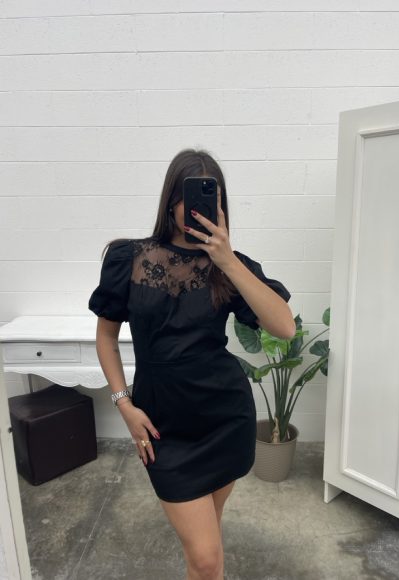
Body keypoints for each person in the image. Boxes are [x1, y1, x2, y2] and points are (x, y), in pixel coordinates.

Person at [88, 148, 295, 580]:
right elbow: (106, 337)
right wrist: (124, 404)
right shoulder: (129, 259)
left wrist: (227, 259)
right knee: (205, 556)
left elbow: (284, 327)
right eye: (188, 196)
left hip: (224, 418)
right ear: (171, 199)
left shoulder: (229, 267)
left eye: (208, 199)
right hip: (164, 428)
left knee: (205, 554)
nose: (196, 209)